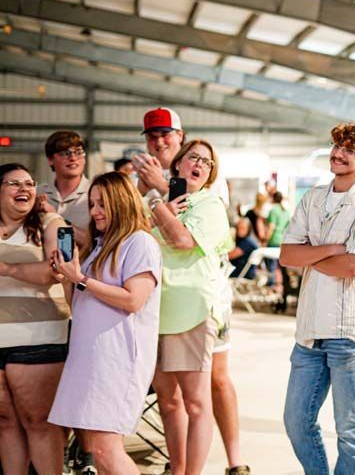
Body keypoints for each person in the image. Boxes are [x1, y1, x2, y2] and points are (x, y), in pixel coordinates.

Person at [134, 108, 247, 474]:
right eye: (152, 136)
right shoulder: (149, 179)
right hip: (159, 303)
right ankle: (178, 464)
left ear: (179, 137)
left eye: (166, 134)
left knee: (215, 379)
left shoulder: (209, 185)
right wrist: (143, 188)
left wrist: (160, 190)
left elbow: (188, 234)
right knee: (171, 399)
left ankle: (235, 460)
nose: (159, 141)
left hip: (206, 299)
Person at [279, 122, 355, 475]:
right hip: (309, 331)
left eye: (350, 150)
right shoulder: (312, 198)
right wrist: (331, 249)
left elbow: (353, 266)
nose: (338, 154)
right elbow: (286, 256)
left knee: (350, 430)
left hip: (350, 333)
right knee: (296, 422)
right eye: (337, 146)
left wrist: (311, 252)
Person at [48, 172, 161, 474]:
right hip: (92, 356)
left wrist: (81, 279)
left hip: (118, 358)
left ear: (122, 204)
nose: (95, 211)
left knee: (106, 448)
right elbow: (79, 303)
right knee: (99, 448)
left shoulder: (140, 243)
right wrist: (66, 278)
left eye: (103, 204)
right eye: (93, 204)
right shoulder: (101, 245)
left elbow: (134, 299)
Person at [149, 140, 233, 475]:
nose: (200, 164)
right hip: (154, 310)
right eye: (193, 157)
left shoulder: (209, 204)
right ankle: (178, 469)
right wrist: (158, 202)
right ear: (178, 164)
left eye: (207, 162)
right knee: (168, 403)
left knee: (196, 403)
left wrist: (157, 203)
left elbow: (183, 241)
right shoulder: (156, 201)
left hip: (192, 312)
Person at [0, 163, 68, 474]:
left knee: (39, 423)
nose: (24, 188)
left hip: (38, 339)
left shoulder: (53, 223)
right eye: (14, 183)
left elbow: (58, 270)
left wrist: (8, 269)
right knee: (6, 423)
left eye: (29, 183)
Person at [38, 130, 91, 249]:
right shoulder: (36, 194)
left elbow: (101, 245)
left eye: (78, 152)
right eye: (65, 153)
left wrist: (55, 218)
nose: (73, 158)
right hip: (41, 266)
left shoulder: (97, 194)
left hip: (83, 267)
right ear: (50, 160)